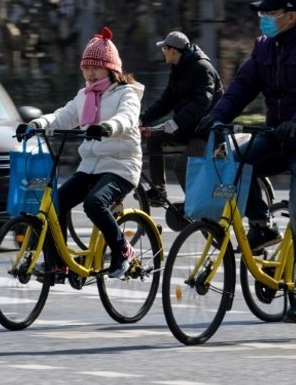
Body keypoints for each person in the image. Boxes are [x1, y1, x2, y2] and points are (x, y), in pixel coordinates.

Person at [196, 0, 296, 321]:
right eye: (261, 15)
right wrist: (215, 116)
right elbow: (241, 87)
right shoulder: (264, 47)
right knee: (236, 162)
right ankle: (262, 225)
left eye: (268, 15)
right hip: (279, 137)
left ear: (291, 16)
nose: (262, 20)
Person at [18, 26, 144, 279]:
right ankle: (58, 263)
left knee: (94, 204)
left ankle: (123, 250)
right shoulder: (84, 96)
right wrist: (37, 125)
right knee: (56, 204)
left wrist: (108, 127)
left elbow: (128, 118)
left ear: (110, 68)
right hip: (90, 166)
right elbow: (63, 116)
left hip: (121, 166)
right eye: (85, 68)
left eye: (94, 68)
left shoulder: (125, 93)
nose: (89, 73)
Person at [139, 31, 223, 205]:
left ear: (173, 50)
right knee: (154, 137)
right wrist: (142, 120)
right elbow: (165, 102)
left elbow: (202, 103)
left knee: (181, 166)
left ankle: (197, 205)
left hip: (206, 132)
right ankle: (158, 191)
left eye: (164, 49)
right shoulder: (177, 70)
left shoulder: (202, 68)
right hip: (188, 129)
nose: (163, 52)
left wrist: (177, 122)